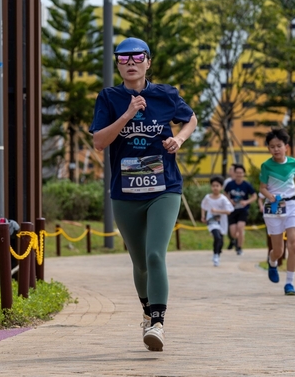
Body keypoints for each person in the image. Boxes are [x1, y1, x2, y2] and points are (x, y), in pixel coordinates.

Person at [90, 37, 198, 352]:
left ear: (148, 62)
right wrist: (127, 114)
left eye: (138, 57)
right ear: (117, 64)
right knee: (140, 263)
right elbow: (99, 142)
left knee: (154, 255)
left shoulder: (165, 94)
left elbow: (190, 119)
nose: (131, 63)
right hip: (125, 193)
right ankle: (148, 313)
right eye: (123, 58)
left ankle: (158, 323)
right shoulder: (109, 98)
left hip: (164, 188)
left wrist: (179, 139)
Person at [259, 128, 295, 296]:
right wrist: (270, 197)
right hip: (274, 207)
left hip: (292, 205)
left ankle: (289, 283)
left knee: (293, 244)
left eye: (279, 146)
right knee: (278, 250)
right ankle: (272, 261)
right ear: (268, 148)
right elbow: (262, 188)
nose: (276, 149)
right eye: (272, 146)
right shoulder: (266, 166)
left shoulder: (293, 162)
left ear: (286, 147)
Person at [201, 175, 235, 266]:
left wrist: (217, 211)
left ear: (221, 187)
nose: (215, 188)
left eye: (217, 186)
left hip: (222, 221)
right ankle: (215, 255)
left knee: (221, 240)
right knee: (217, 237)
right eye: (213, 186)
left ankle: (218, 253)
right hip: (211, 220)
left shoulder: (223, 199)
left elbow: (228, 211)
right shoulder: (207, 197)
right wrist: (203, 216)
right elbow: (203, 206)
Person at [224, 164, 257, 255]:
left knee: (240, 228)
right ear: (234, 173)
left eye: (241, 173)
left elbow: (254, 196)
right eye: (237, 172)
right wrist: (229, 200)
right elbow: (225, 194)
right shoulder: (230, 184)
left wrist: (246, 202)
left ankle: (239, 248)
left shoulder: (247, 185)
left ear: (243, 174)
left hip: (243, 210)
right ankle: (238, 238)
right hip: (232, 210)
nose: (239, 174)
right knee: (233, 233)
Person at [223, 164, 238, 250]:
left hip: (239, 207)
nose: (230, 171)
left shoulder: (240, 180)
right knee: (230, 225)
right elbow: (225, 193)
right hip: (229, 206)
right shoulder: (227, 182)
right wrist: (229, 201)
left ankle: (237, 242)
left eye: (231, 169)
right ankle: (232, 240)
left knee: (239, 225)